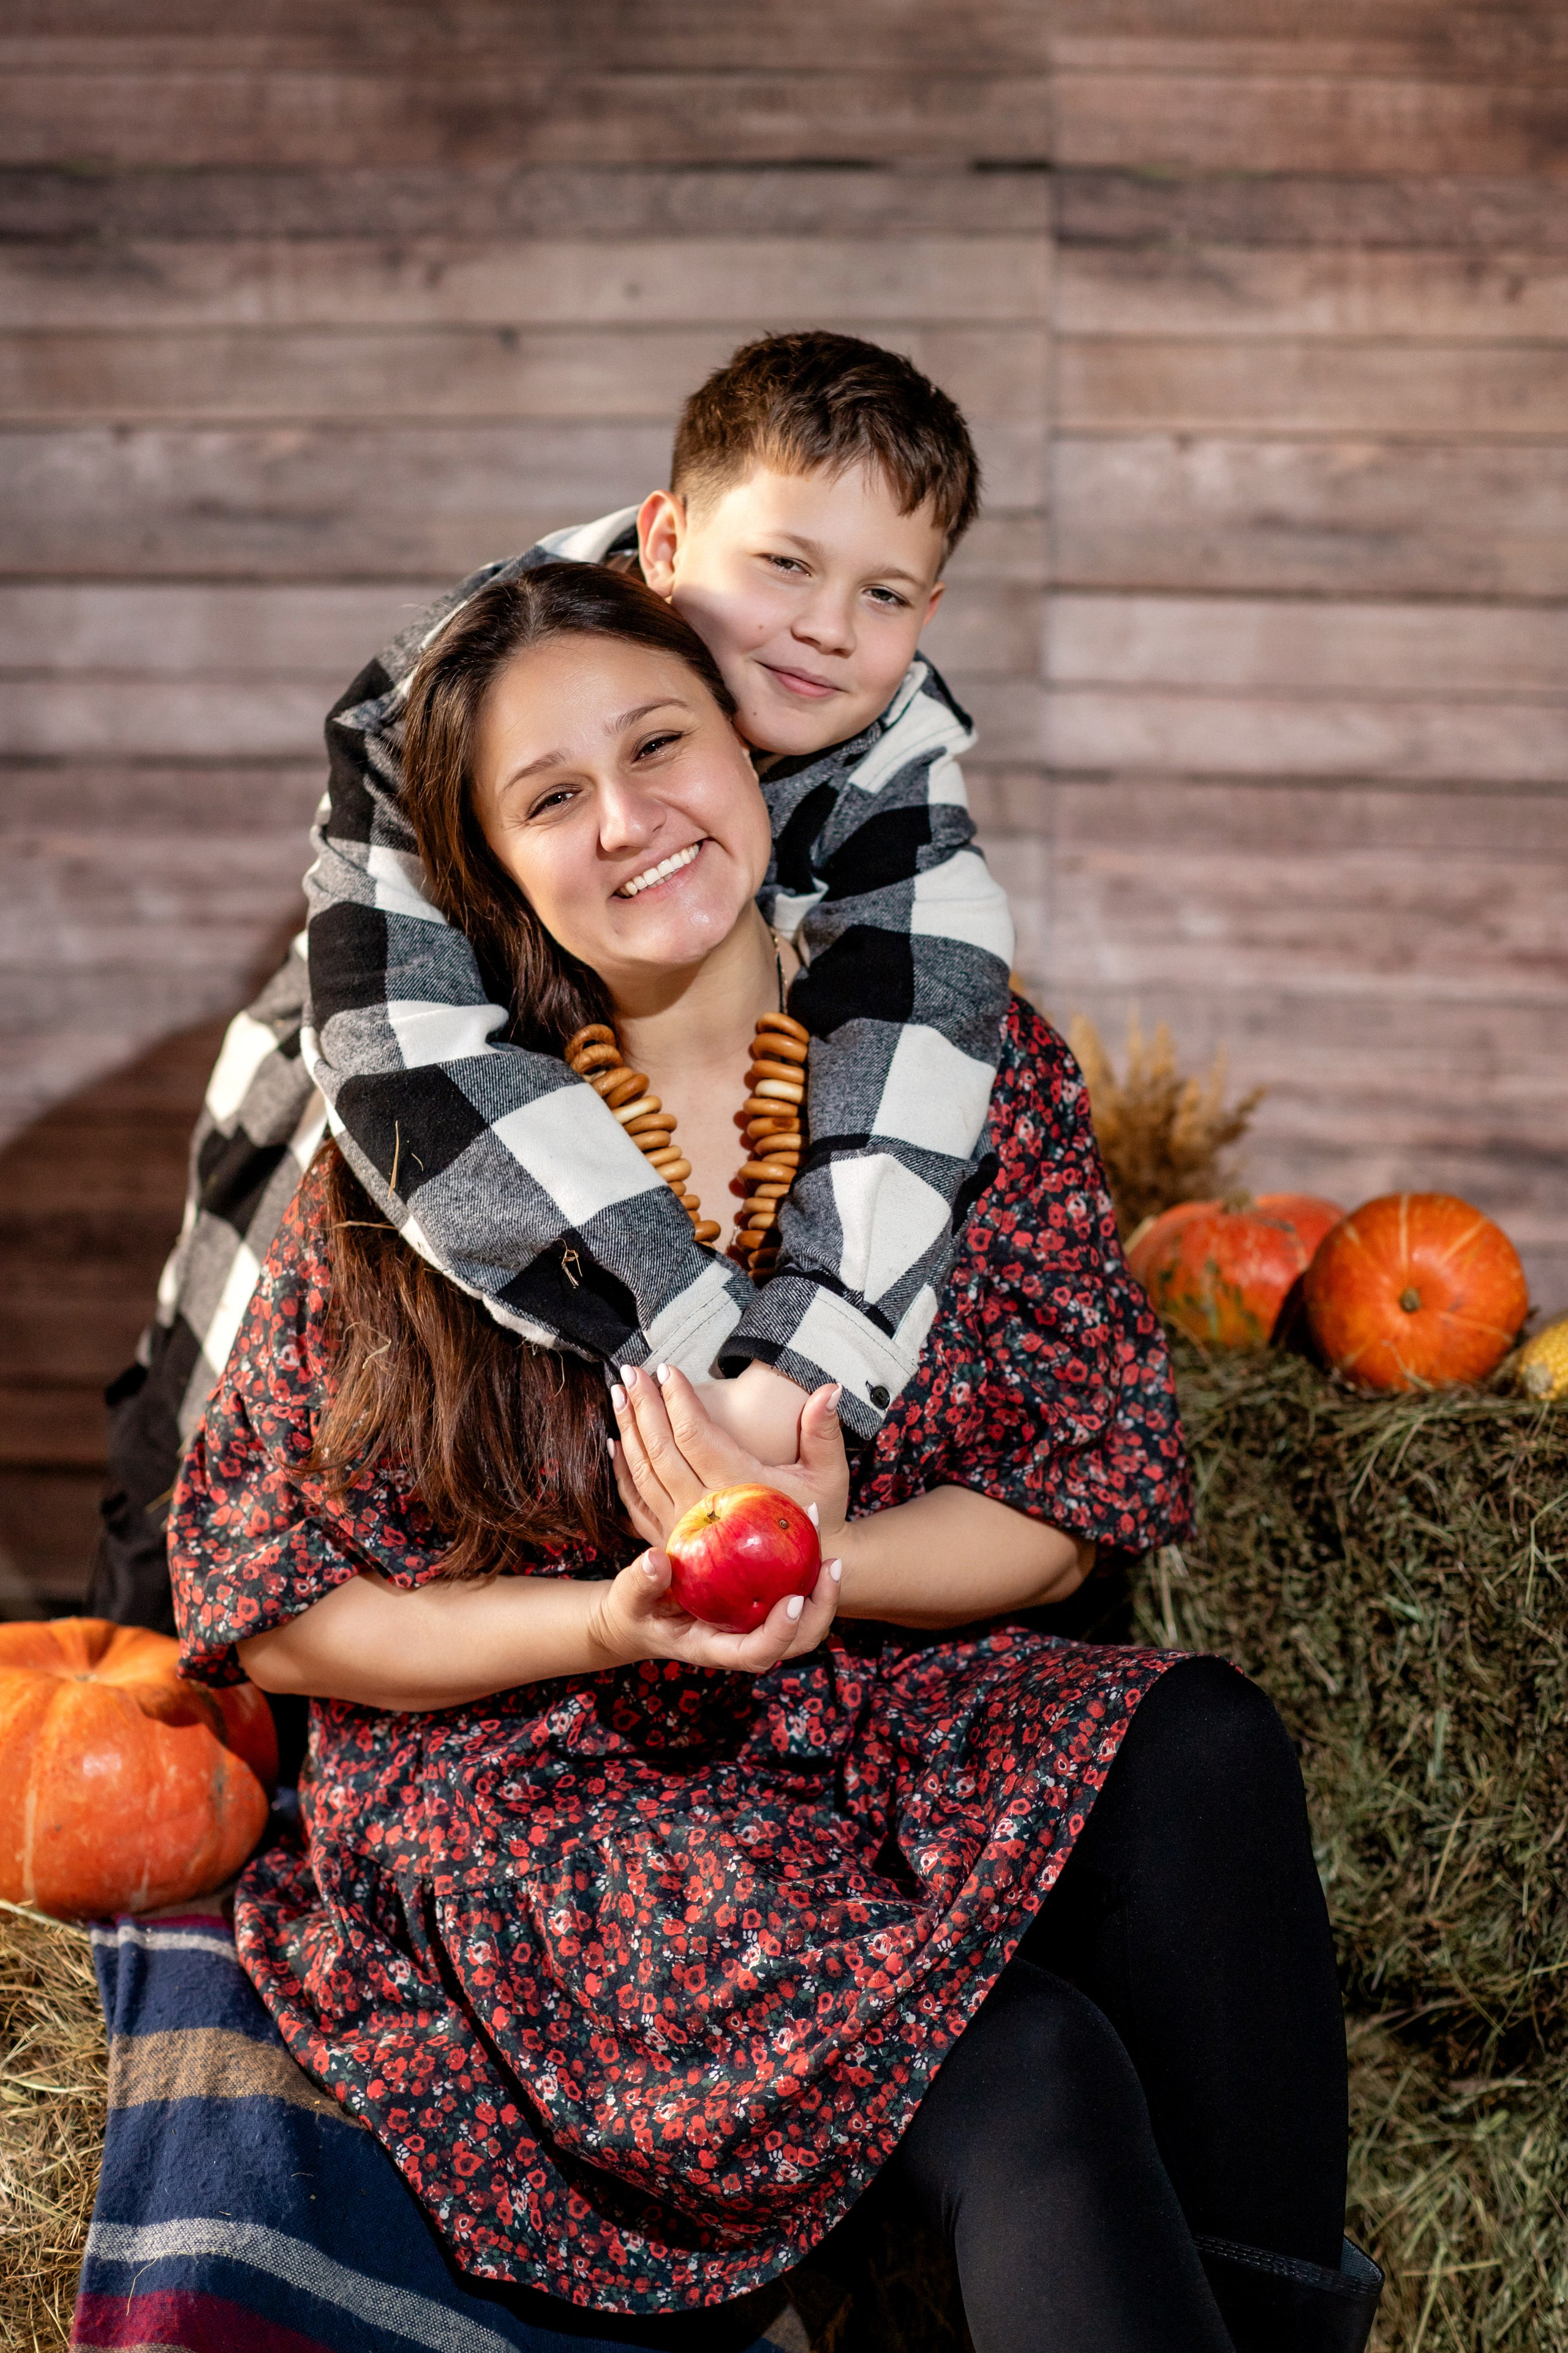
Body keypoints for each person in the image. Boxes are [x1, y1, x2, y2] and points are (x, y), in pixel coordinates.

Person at [170, 565, 1381, 2353]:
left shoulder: (965, 1077)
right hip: (548, 1786)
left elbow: (1071, 1501)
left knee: (1203, 1748)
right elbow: (283, 1616)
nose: (632, 820)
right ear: (491, 870)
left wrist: (837, 1564)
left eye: (660, 744)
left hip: (858, 1713)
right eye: (552, 798)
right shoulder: (424, 1169)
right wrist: (616, 1619)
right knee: (1037, 2065)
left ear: (747, 742)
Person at [95, 331, 1014, 1634]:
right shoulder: (453, 691)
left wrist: (790, 1372)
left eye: (882, 593)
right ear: (667, 538)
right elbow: (410, 1056)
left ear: (926, 617)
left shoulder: (889, 737)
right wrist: (706, 1356)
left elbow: (925, 1023)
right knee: (205, 1530)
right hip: (376, 1141)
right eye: (786, 564)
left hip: (666, 1166)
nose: (823, 626)